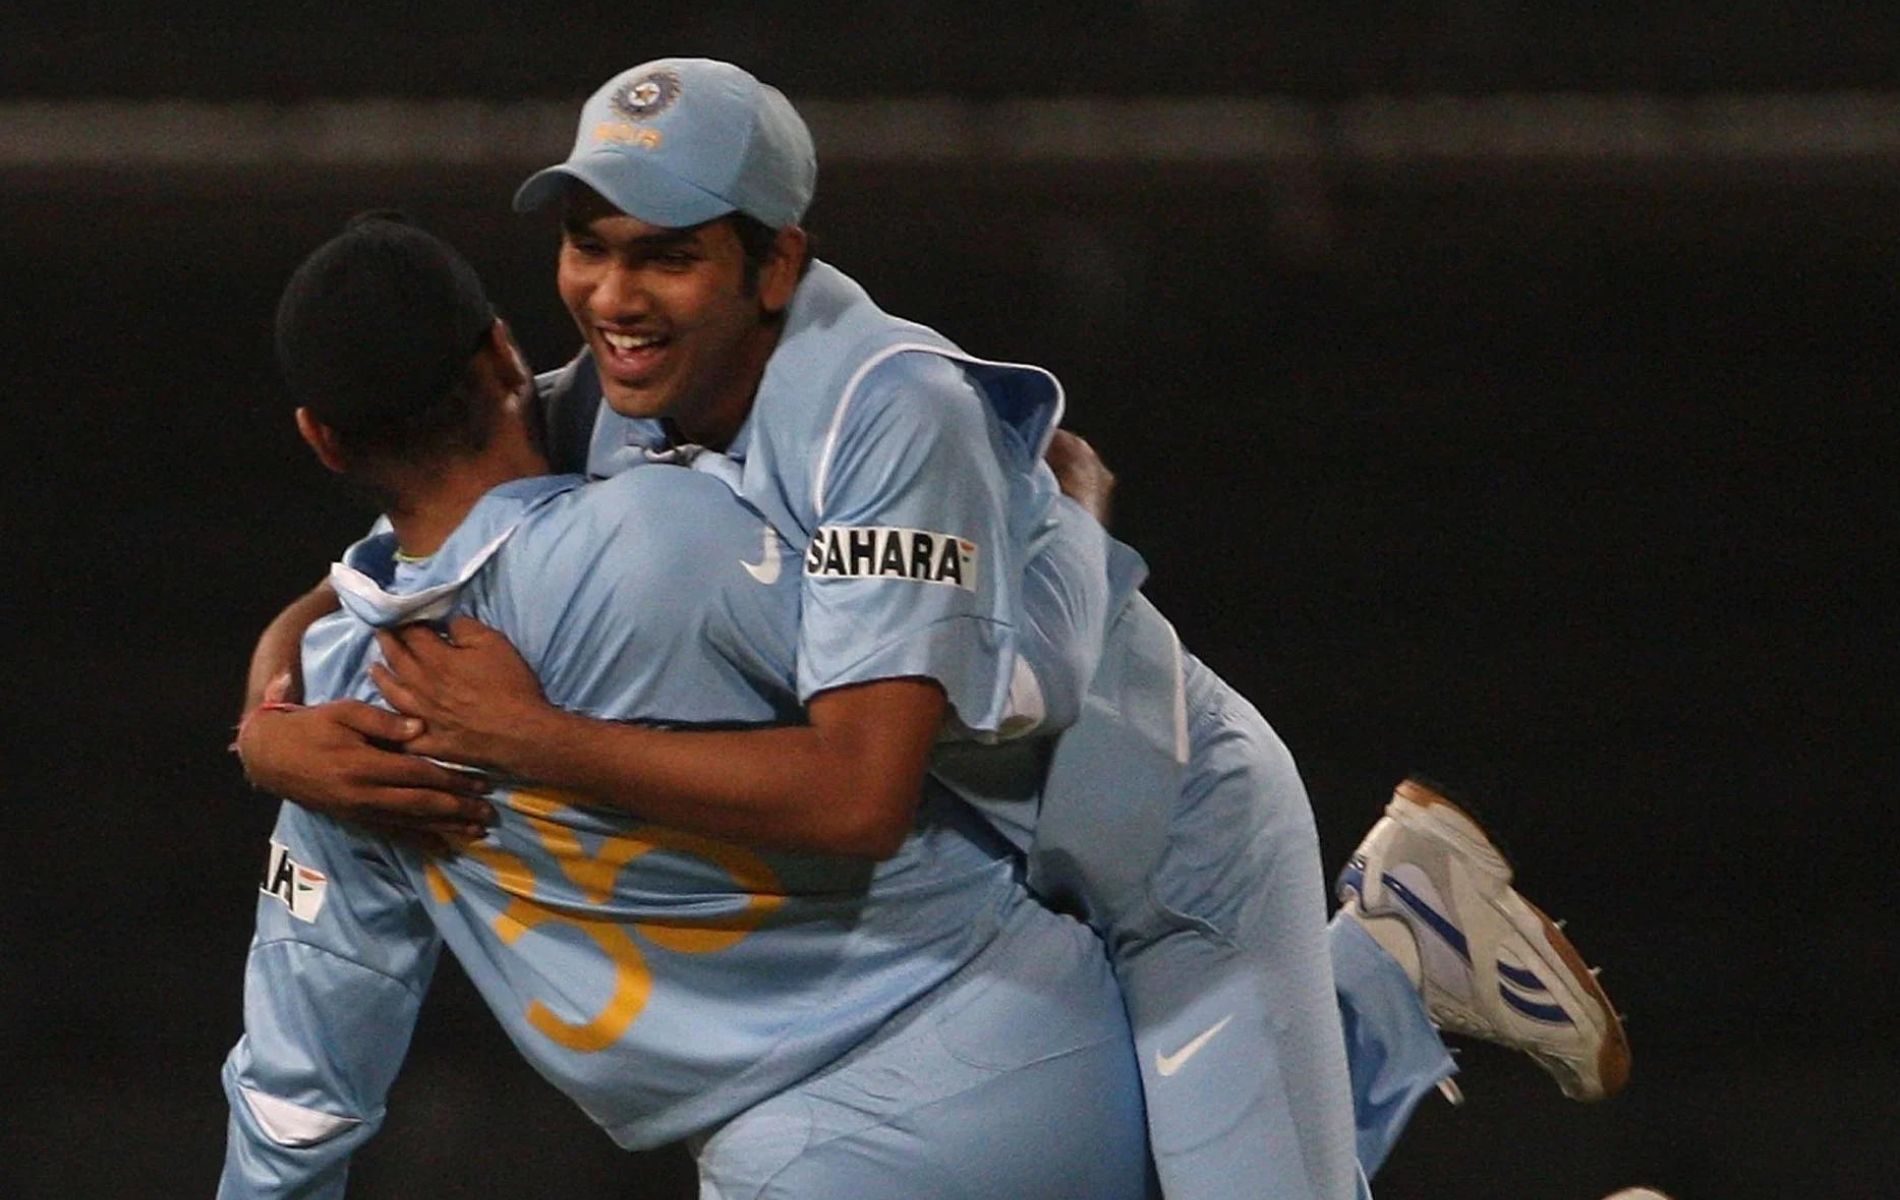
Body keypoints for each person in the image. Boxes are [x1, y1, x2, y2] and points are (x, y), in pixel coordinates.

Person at [236, 59, 1627, 1199]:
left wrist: (534, 737)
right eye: (588, 248)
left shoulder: (876, 408)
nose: (611, 295)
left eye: (664, 254)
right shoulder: (614, 397)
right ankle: (1382, 972)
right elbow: (433, 520)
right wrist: (279, 705)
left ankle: (1376, 975)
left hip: (1160, 833)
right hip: (1015, 870)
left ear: (775, 262)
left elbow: (859, 790)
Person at [221, 214, 1154, 1199]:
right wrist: (1070, 529)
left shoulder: (343, 736)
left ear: (319, 440)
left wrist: (278, 711)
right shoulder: (691, 529)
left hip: (810, 1151)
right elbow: (973, 684)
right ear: (503, 351)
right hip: (1041, 1040)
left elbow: (297, 1100)